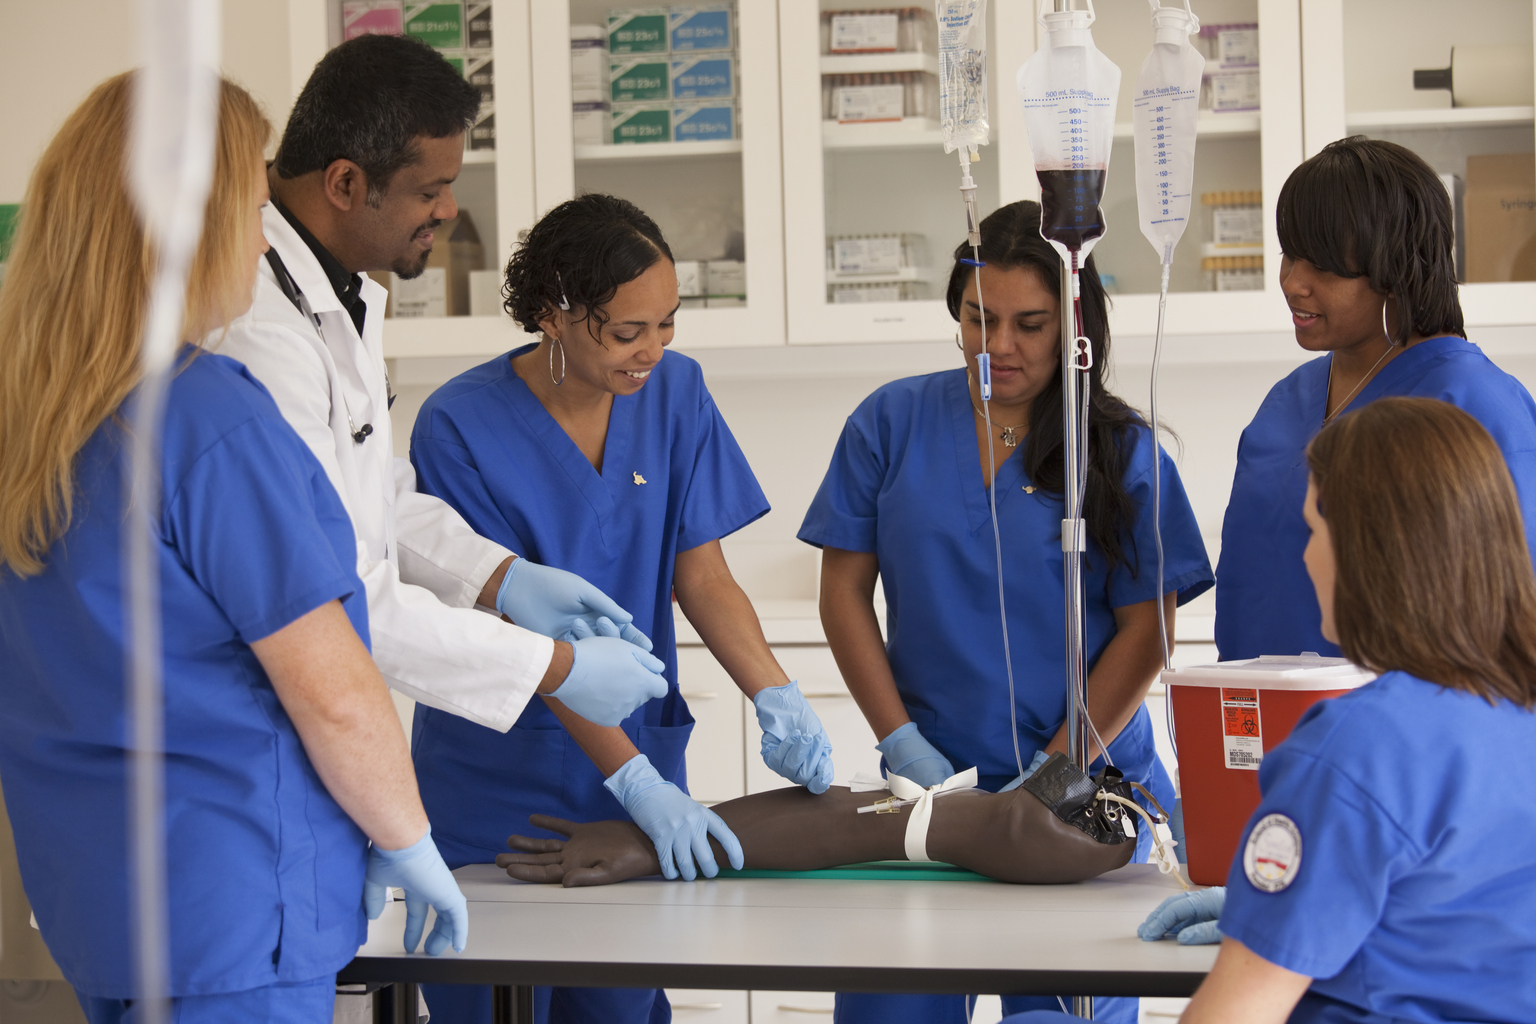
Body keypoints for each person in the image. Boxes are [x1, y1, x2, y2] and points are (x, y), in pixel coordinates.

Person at [0, 74, 468, 1024]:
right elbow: (331, 689)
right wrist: (406, 832)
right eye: (251, 212)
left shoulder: (31, 419)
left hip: (97, 903)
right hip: (233, 906)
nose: (261, 241)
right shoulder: (206, 415)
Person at [408, 193, 835, 1024]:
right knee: (488, 1007)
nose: (654, 351)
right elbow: (510, 630)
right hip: (495, 788)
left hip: (633, 799)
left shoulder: (676, 393)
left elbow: (703, 576)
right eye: (627, 330)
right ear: (552, 315)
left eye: (668, 323)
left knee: (621, 1009)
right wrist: (633, 779)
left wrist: (776, 696)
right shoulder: (458, 424)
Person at [798, 201, 1213, 1024]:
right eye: (978, 319)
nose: (1000, 347)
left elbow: (1148, 630)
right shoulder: (891, 422)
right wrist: (900, 741)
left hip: (1085, 790)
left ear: (1074, 323)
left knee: (1060, 1015)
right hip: (933, 794)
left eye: (1029, 324)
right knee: (892, 1010)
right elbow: (844, 593)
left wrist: (1059, 774)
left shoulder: (1119, 451)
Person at [212, 35, 665, 746]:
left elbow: (367, 497)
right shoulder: (258, 330)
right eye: (430, 190)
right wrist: (554, 665)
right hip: (254, 727)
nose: (451, 210)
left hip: (312, 726)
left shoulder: (340, 290)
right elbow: (333, 590)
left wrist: (504, 578)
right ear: (345, 184)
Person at [1127, 398, 1536, 1022]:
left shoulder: (1355, 750)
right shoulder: (1516, 708)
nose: (1306, 557)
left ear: (1369, 551)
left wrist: (1263, 930)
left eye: (1314, 529)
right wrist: (1275, 909)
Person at [1215, 136, 1536, 661]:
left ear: (1395, 267)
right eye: (1289, 254)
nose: (1294, 283)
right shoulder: (1286, 403)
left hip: (1396, 737)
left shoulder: (1475, 407)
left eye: (1322, 264)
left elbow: (1513, 632)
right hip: (1259, 729)